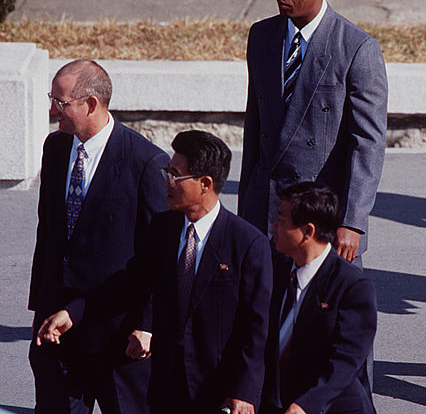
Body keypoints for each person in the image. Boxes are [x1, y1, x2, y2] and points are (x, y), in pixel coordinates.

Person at [36, 130, 272, 414]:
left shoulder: (247, 244)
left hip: (216, 388)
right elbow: (128, 284)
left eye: (175, 175)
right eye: (167, 172)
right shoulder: (163, 229)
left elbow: (256, 328)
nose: (167, 183)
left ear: (205, 184)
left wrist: (244, 392)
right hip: (163, 385)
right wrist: (74, 312)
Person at [28, 59, 169, 413]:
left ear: (90, 104)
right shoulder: (56, 149)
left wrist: (145, 324)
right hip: (56, 331)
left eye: (60, 102)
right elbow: (48, 233)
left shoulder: (145, 163)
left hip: (117, 336)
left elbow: (158, 255)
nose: (52, 109)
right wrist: (40, 307)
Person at [239, 0, 388, 268]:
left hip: (320, 216)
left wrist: (353, 221)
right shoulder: (262, 36)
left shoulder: (356, 48)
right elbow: (255, 127)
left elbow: (368, 144)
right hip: (264, 210)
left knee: (326, 314)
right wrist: (245, 208)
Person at [262, 182, 376, 414]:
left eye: (281, 221)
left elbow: (345, 361)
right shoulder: (275, 271)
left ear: (308, 231)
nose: (273, 226)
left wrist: (306, 405)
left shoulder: (351, 287)